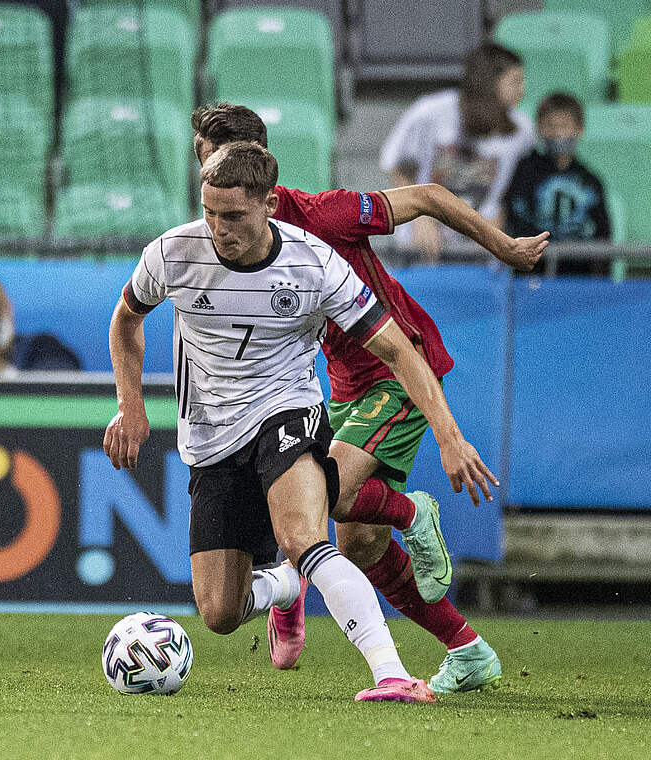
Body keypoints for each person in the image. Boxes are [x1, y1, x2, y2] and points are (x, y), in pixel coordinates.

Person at [105, 141, 497, 702]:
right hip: (211, 438)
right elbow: (125, 322)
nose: (218, 229)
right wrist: (130, 404)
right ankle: (287, 587)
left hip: (287, 412)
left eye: (234, 216)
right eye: (210, 212)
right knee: (219, 613)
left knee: (305, 538)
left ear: (269, 204)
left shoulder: (313, 262)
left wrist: (449, 436)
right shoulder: (172, 253)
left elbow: (399, 352)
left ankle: (390, 674)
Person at [194, 102, 547, 694]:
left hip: (399, 369)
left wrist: (504, 248)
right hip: (342, 387)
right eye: (204, 165)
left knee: (331, 491)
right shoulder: (219, 239)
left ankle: (399, 522)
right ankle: (469, 650)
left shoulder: (324, 215)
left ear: (256, 175)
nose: (205, 178)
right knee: (358, 541)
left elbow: (430, 195)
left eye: (210, 160)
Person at [380, 42, 533, 260]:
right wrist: (420, 217)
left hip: (478, 252)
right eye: (515, 81)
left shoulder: (522, 130)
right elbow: (399, 166)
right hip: (420, 248)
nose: (522, 89)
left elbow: (517, 186)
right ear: (489, 83)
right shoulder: (430, 112)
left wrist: (498, 217)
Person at [502, 93, 610, 254]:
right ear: (538, 129)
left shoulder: (590, 181)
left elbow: (603, 233)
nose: (558, 133)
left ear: (579, 129)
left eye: (565, 125)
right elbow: (513, 219)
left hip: (578, 272)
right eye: (551, 126)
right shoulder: (524, 172)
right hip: (532, 269)